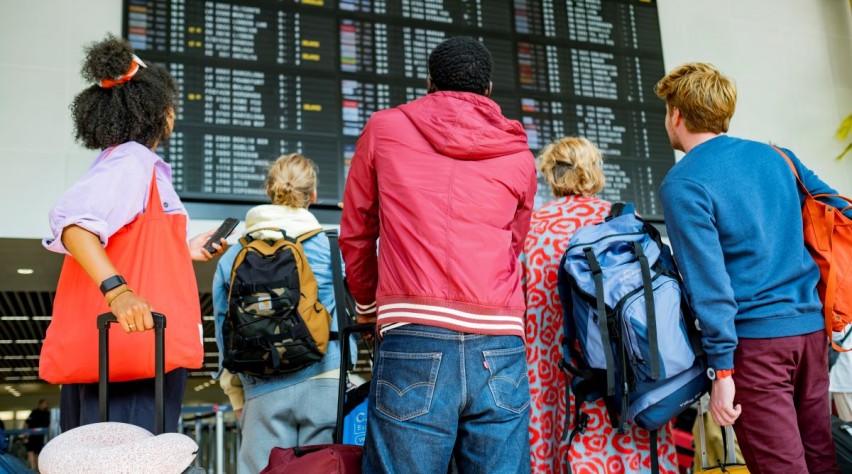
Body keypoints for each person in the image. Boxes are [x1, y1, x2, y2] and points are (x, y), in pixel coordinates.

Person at [340, 36, 537, 473]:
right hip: (499, 343)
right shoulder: (519, 154)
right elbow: (514, 243)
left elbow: (356, 232)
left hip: (414, 335)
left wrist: (369, 309)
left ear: (429, 82)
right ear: (488, 90)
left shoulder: (385, 128)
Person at [656, 62, 849, 473]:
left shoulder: (684, 183)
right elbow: (836, 206)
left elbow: (709, 283)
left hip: (755, 344)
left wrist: (721, 369)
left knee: (780, 466)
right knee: (820, 458)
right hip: (811, 335)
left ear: (677, 114)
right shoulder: (779, 157)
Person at [40, 34, 225, 434]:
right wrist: (119, 292)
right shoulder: (133, 160)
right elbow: (73, 225)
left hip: (121, 354)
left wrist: (183, 249)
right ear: (158, 111)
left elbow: (133, 238)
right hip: (134, 353)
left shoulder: (126, 163)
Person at [522, 137, 679, 473]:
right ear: (594, 171)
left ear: (551, 174)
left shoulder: (530, 228)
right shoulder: (622, 219)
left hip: (552, 371)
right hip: (619, 371)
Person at [213, 153, 344, 474]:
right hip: (325, 379)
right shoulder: (331, 247)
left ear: (268, 189)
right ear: (313, 196)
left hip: (261, 386)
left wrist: (236, 396)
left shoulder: (234, 254)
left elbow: (223, 328)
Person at [24, 399, 50, 471]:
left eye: (47, 404)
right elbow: (26, 423)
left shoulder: (47, 414)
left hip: (41, 436)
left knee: (38, 452)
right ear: (40, 404)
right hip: (32, 435)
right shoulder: (34, 412)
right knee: (31, 450)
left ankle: (38, 469)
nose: (46, 405)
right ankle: (33, 468)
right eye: (45, 404)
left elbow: (49, 425)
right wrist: (26, 434)